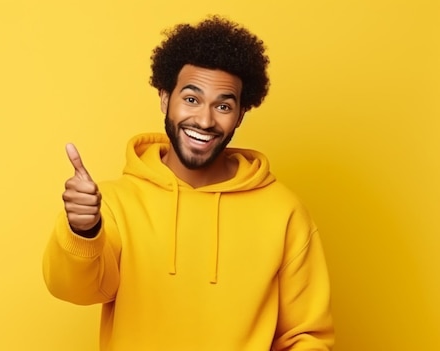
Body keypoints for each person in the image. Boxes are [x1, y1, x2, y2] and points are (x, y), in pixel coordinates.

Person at [43, 15, 334, 351]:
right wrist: (84, 231)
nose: (205, 120)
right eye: (192, 99)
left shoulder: (285, 212)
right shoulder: (114, 202)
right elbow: (74, 290)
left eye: (223, 105)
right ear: (166, 99)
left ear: (240, 114)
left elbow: (307, 336)